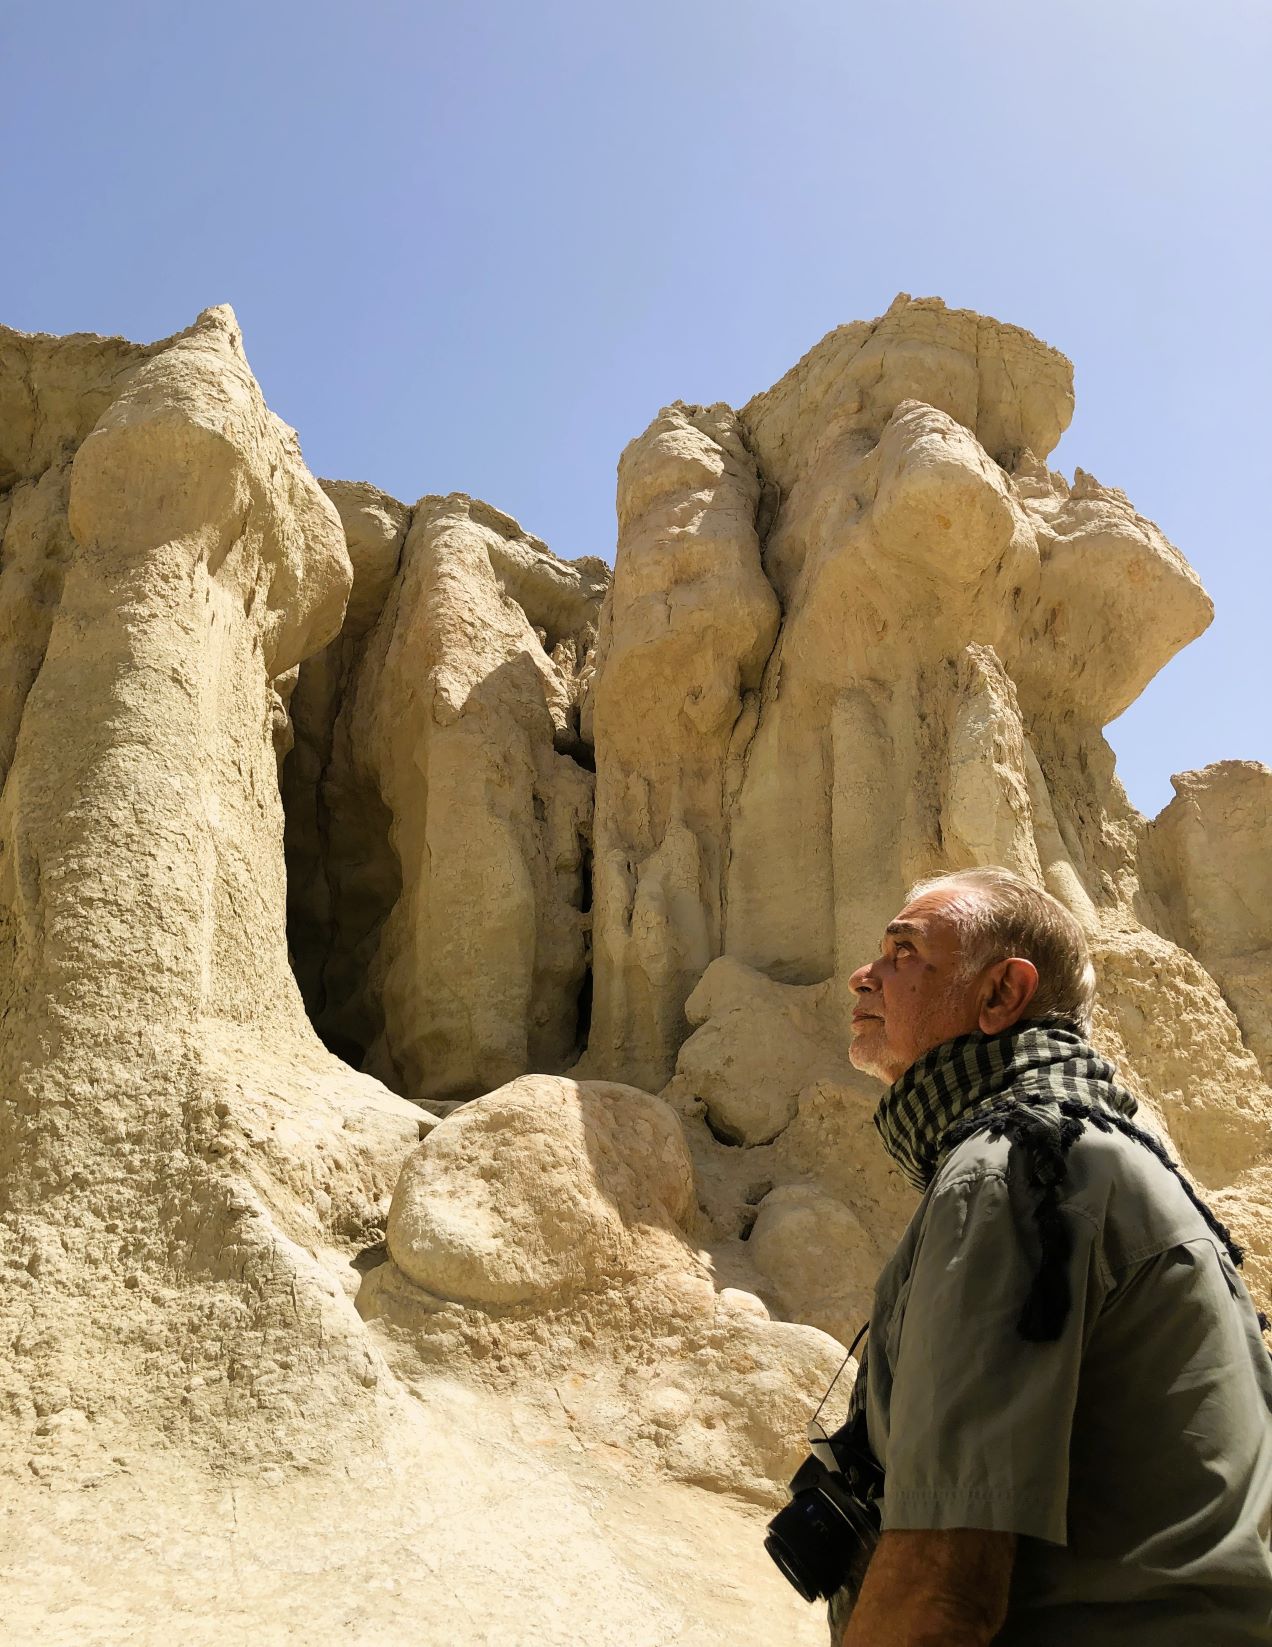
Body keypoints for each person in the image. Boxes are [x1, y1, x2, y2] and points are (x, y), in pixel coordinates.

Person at [830, 865, 1272, 1647]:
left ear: (1001, 995)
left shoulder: (1013, 1165)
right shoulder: (1101, 1148)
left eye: (904, 953)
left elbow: (942, 1586)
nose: (865, 976)